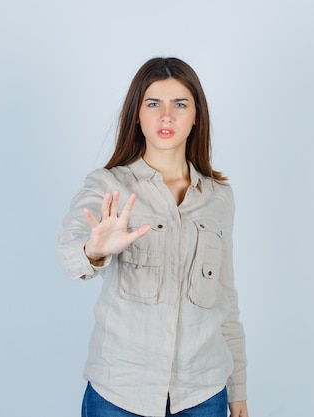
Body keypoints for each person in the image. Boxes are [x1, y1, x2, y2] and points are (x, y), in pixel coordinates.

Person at [55, 57, 249, 417]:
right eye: (153, 103)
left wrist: (237, 392)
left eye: (180, 104)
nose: (166, 116)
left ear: (196, 117)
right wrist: (94, 250)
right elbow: (70, 250)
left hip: (203, 395)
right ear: (137, 115)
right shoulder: (108, 184)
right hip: (119, 395)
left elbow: (226, 301)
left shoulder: (219, 197)